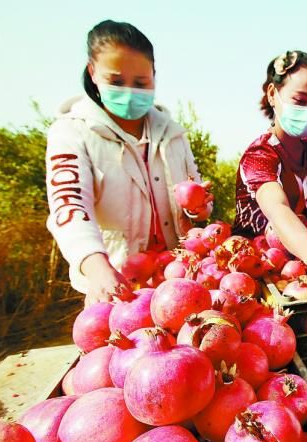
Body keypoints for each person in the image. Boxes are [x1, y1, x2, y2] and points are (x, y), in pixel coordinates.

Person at [45, 20, 211, 304]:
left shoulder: (173, 134)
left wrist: (198, 208)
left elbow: (197, 199)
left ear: (154, 75)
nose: (129, 91)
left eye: (141, 83)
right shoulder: (72, 132)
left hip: (179, 279)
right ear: (92, 72)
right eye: (116, 82)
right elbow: (69, 207)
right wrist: (98, 268)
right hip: (119, 286)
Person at [233, 50, 307, 315]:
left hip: (299, 266)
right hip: (257, 272)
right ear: (272, 94)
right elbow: (278, 210)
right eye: (300, 100)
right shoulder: (259, 156)